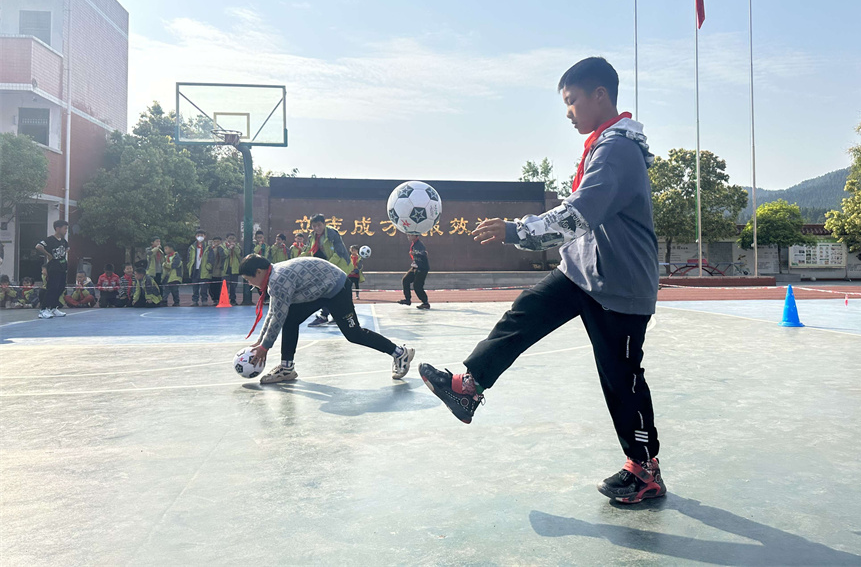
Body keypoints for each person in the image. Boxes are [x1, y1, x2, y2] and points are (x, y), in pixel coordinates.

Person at [418, 57, 665, 504]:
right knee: (524, 313)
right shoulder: (603, 145)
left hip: (620, 286)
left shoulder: (617, 150)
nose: (568, 112)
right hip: (581, 272)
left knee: (621, 377)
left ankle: (644, 469)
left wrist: (515, 230)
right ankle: (469, 387)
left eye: (572, 101)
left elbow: (576, 216)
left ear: (600, 95)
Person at [240, 254, 414, 384]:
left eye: (249, 280)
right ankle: (287, 369)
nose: (249, 284)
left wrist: (265, 347)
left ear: (259, 272)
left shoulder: (278, 280)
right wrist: (261, 342)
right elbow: (274, 312)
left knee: (354, 334)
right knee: (290, 319)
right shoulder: (273, 275)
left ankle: (400, 353)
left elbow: (277, 317)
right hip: (320, 289)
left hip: (337, 288)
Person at [301, 214, 353, 326]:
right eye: (314, 226)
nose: (317, 228)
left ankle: (327, 316)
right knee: (328, 291)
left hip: (339, 265)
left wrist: (328, 266)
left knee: (332, 291)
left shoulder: (332, 234)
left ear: (324, 224)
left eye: (319, 225)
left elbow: (339, 252)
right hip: (326, 267)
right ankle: (332, 316)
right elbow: (307, 251)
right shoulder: (312, 236)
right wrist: (296, 261)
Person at [35, 219, 69, 319]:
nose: (66, 231)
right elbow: (38, 246)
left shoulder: (63, 241)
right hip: (54, 267)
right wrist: (48, 254)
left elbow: (67, 248)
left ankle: (53, 307)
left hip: (62, 267)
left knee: (61, 287)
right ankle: (43, 309)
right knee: (52, 288)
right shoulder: (49, 240)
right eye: (64, 228)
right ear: (58, 228)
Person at [398, 234, 430, 309]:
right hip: (415, 267)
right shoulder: (414, 244)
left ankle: (425, 303)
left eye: (411, 235)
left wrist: (415, 253)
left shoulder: (419, 244)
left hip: (422, 268)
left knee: (417, 286)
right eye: (408, 235)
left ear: (416, 236)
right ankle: (407, 300)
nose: (409, 237)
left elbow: (424, 253)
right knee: (405, 280)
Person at [186, 230, 212, 306]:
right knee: (195, 287)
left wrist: (208, 266)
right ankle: (195, 300)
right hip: (195, 269)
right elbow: (188, 258)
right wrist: (189, 266)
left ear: (205, 236)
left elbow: (211, 258)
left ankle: (204, 300)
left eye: (202, 235)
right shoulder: (192, 247)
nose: (200, 237)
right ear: (195, 236)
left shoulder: (208, 247)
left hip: (204, 269)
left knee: (204, 287)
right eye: (198, 235)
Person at [223, 233, 242, 305]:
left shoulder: (238, 246)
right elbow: (224, 254)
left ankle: (233, 299)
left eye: (233, 238)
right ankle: (224, 299)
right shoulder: (223, 246)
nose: (232, 240)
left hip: (234, 268)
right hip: (226, 268)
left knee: (233, 285)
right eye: (230, 238)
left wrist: (235, 247)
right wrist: (229, 248)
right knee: (225, 285)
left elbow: (239, 255)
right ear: (226, 239)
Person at [208, 236, 226, 303]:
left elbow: (224, 255)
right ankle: (214, 298)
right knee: (212, 286)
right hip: (212, 270)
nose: (216, 243)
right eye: (215, 241)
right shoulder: (211, 249)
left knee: (219, 286)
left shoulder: (223, 248)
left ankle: (218, 298)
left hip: (220, 270)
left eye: (218, 241)